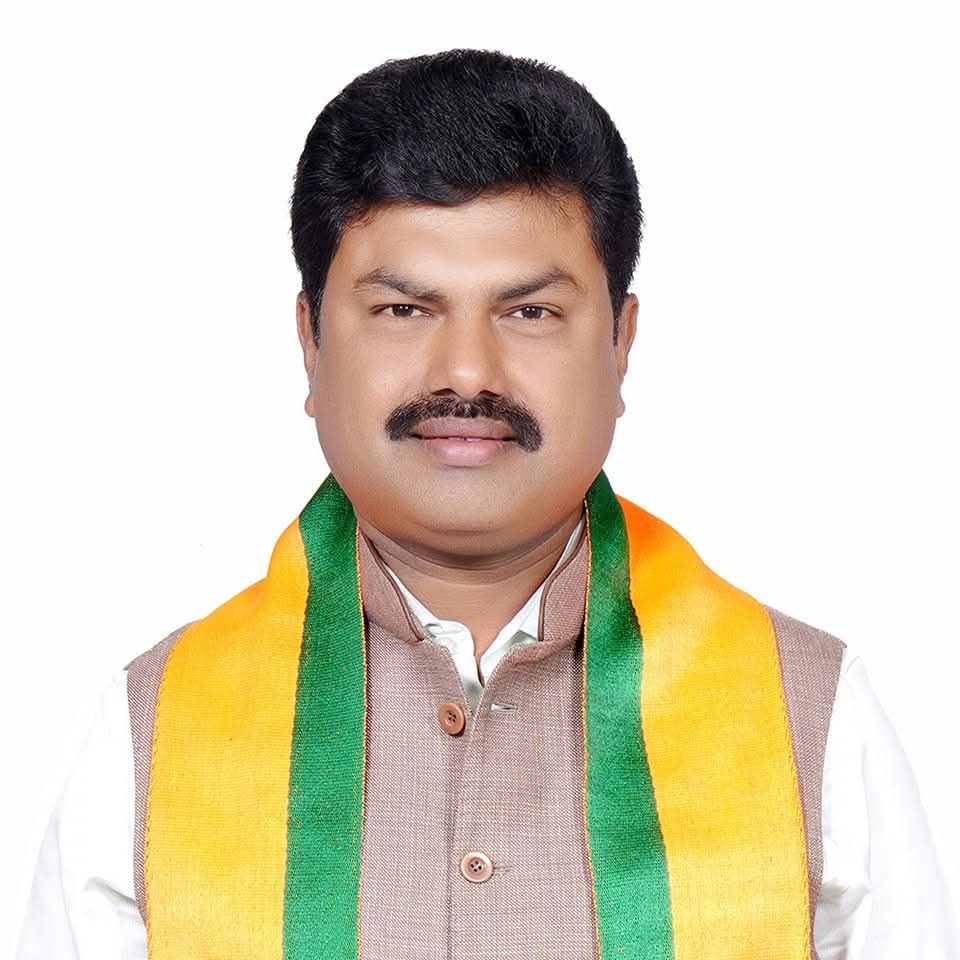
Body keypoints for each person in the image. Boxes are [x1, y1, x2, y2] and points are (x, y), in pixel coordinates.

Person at [16, 47, 958, 960]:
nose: (467, 371)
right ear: (311, 341)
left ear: (621, 344)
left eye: (529, 312)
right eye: (404, 310)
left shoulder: (808, 720)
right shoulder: (154, 733)